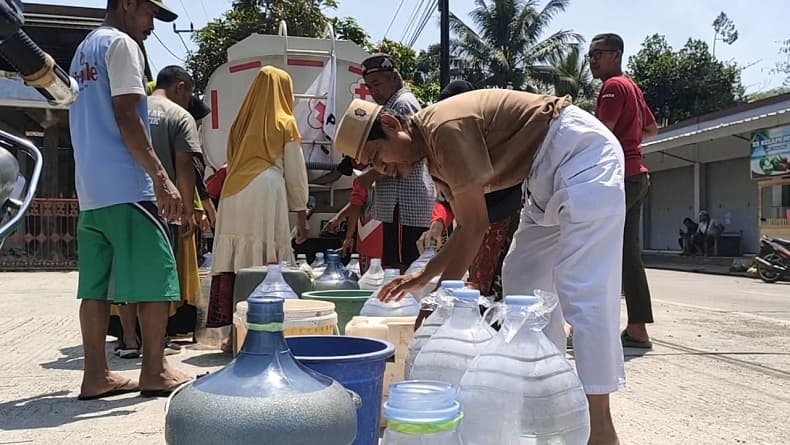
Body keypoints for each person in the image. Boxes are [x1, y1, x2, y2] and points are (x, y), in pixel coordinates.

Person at [333, 89, 626, 445]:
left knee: (583, 290)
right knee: (523, 278)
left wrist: (437, 303)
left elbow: (476, 226)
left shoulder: (444, 129)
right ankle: (550, 394)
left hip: (581, 155)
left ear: (393, 124)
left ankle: (600, 427)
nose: (385, 169)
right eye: (375, 167)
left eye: (380, 156)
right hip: (540, 177)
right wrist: (424, 277)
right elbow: (465, 229)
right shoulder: (432, 157)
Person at [69, 0, 189, 399]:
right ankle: (154, 370)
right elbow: (126, 115)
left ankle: (96, 376)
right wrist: (160, 176)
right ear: (127, 4)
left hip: (91, 191)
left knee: (96, 288)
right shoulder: (121, 44)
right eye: (150, 13)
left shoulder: (84, 49)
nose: (152, 24)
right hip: (127, 186)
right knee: (156, 280)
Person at [206, 66, 310, 351]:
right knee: (267, 260)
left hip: (233, 192)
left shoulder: (240, 122)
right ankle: (261, 333)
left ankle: (232, 337)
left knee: (234, 262)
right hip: (266, 189)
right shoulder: (286, 121)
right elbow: (296, 172)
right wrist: (301, 213)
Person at [416, 80, 523, 301]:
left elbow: (474, 224)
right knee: (477, 291)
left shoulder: (494, 152)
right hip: (476, 237)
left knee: (503, 291)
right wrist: (436, 227)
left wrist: (436, 296)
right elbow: (449, 202)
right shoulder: (449, 152)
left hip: (505, 227)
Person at [589, 33, 659, 349]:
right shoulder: (631, 86)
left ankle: (591, 328)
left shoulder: (613, 87)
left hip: (620, 179)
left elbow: (597, 135)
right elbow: (650, 127)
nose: (591, 60)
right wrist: (630, 141)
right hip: (637, 175)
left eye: (597, 54)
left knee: (592, 250)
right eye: (589, 55)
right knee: (628, 256)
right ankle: (637, 328)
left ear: (615, 55)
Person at [355, 53, 435, 271]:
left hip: (404, 201)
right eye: (369, 86)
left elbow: (407, 154)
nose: (373, 91)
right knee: (400, 264)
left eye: (377, 83)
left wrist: (371, 174)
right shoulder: (396, 103)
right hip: (398, 203)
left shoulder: (401, 104)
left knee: (401, 267)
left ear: (395, 78)